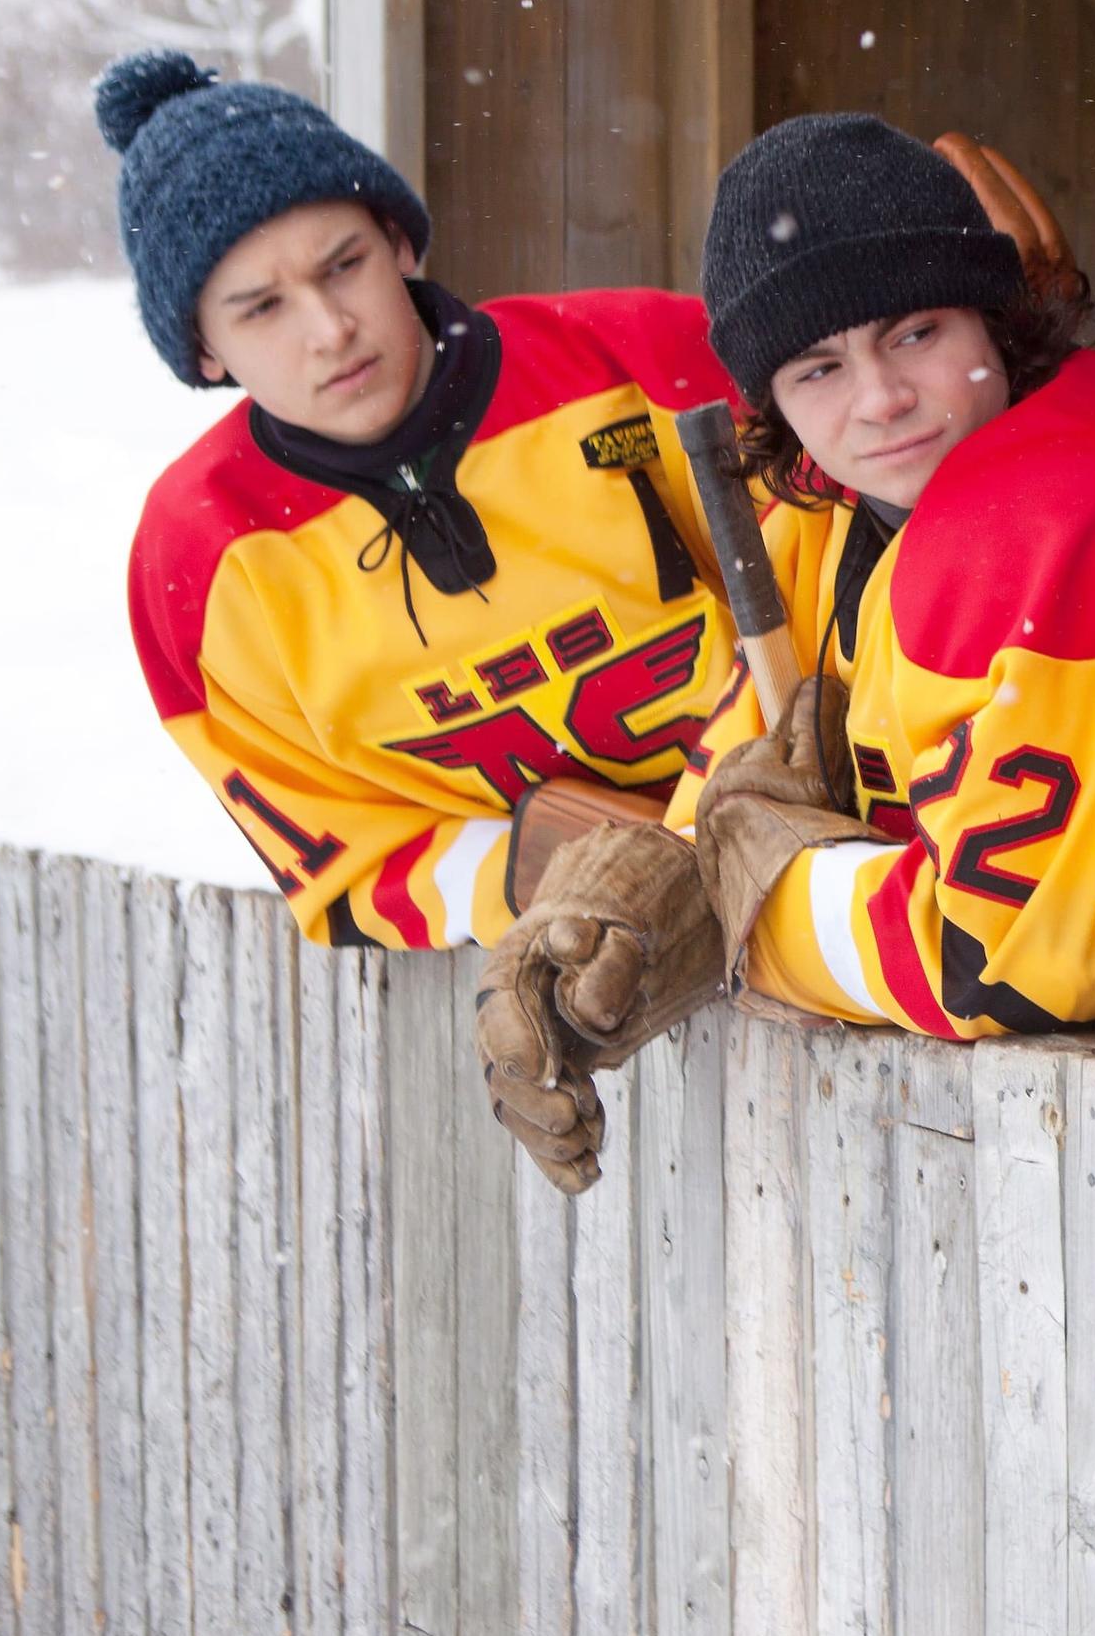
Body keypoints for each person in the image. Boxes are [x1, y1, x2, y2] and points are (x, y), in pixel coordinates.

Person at [650, 113, 1095, 1057]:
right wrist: (661, 886)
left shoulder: (1082, 495)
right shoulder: (834, 512)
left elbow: (1002, 964)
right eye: (819, 368)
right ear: (772, 401)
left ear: (993, 314)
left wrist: (762, 912)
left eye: (916, 332)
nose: (880, 398)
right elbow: (722, 802)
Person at [115, 48, 737, 956]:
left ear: (399, 242)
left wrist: (722, 829)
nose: (330, 331)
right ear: (203, 351)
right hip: (555, 986)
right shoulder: (196, 559)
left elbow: (852, 607)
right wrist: (551, 875)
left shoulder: (640, 354)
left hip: (822, 876)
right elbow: (344, 867)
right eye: (261, 309)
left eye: (343, 266)